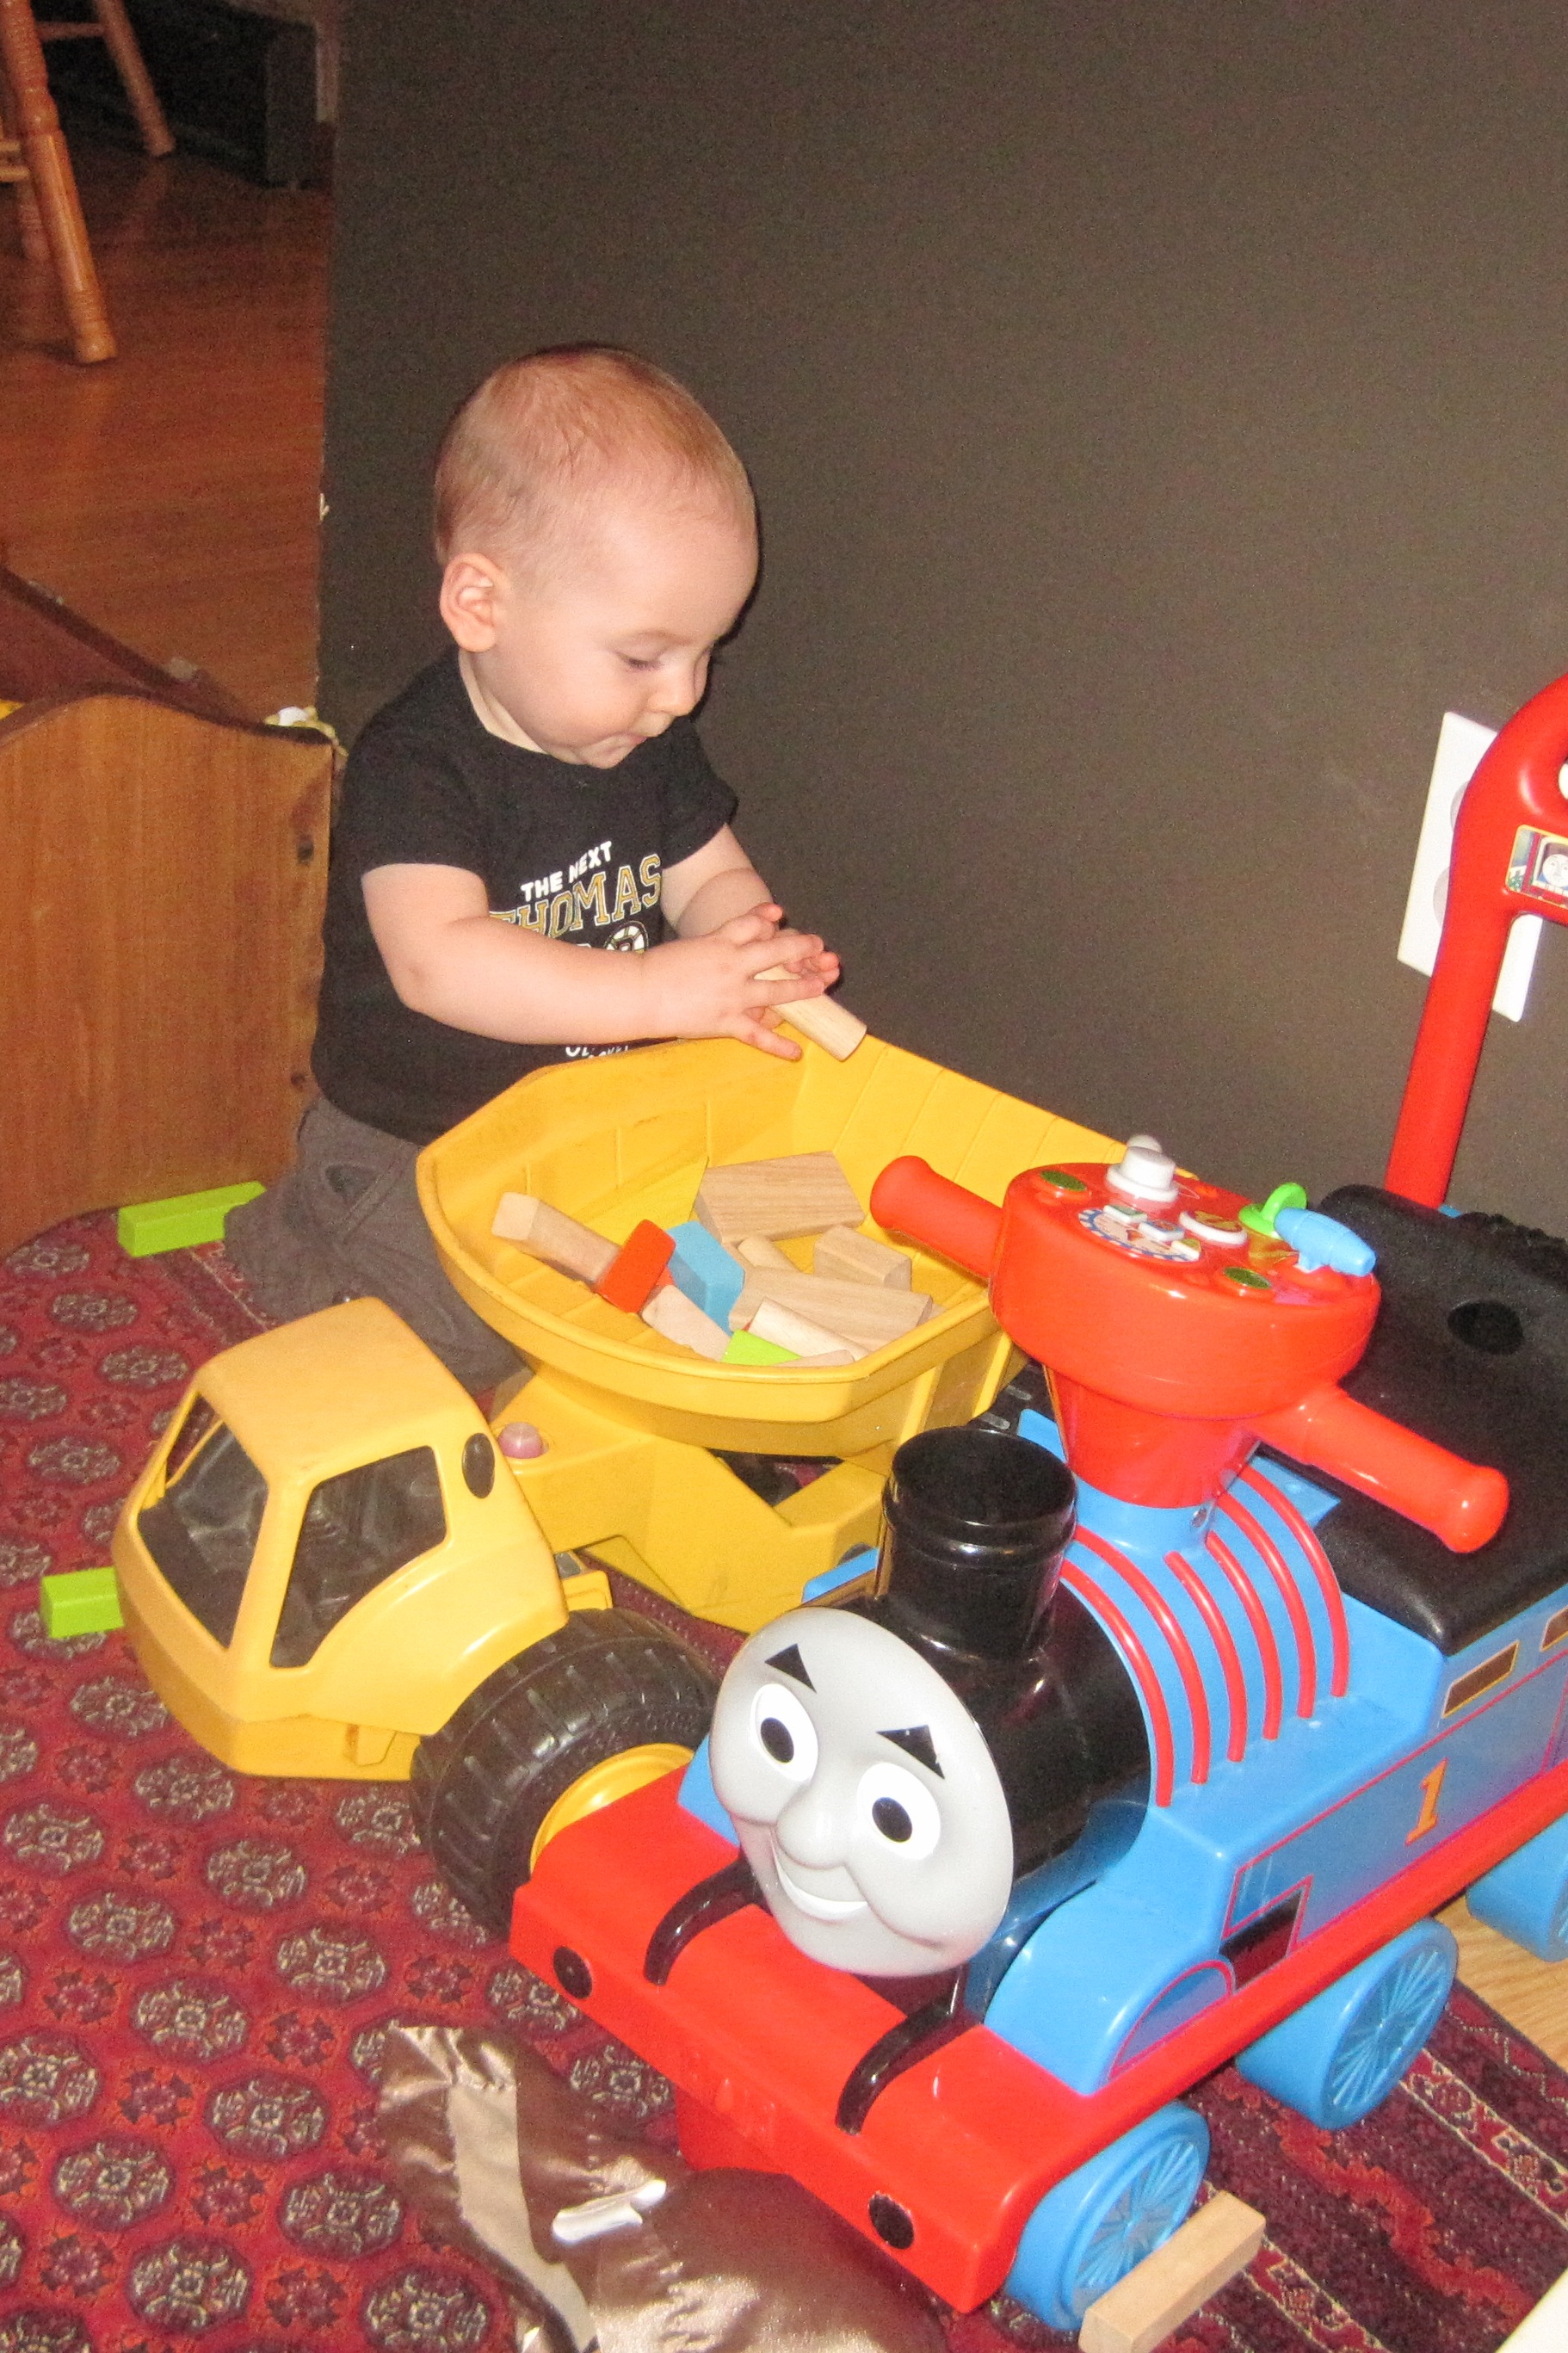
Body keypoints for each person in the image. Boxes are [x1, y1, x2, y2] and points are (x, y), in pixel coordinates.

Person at [225, 345, 838, 1391]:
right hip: (415, 1140)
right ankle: (293, 1238)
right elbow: (440, 965)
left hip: (580, 1124)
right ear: (481, 604)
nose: (681, 695)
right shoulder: (417, 764)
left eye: (705, 653)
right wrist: (654, 990)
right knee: (458, 1341)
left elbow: (707, 876)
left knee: (662, 1276)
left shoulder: (645, 740)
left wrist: (748, 949)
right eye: (643, 656)